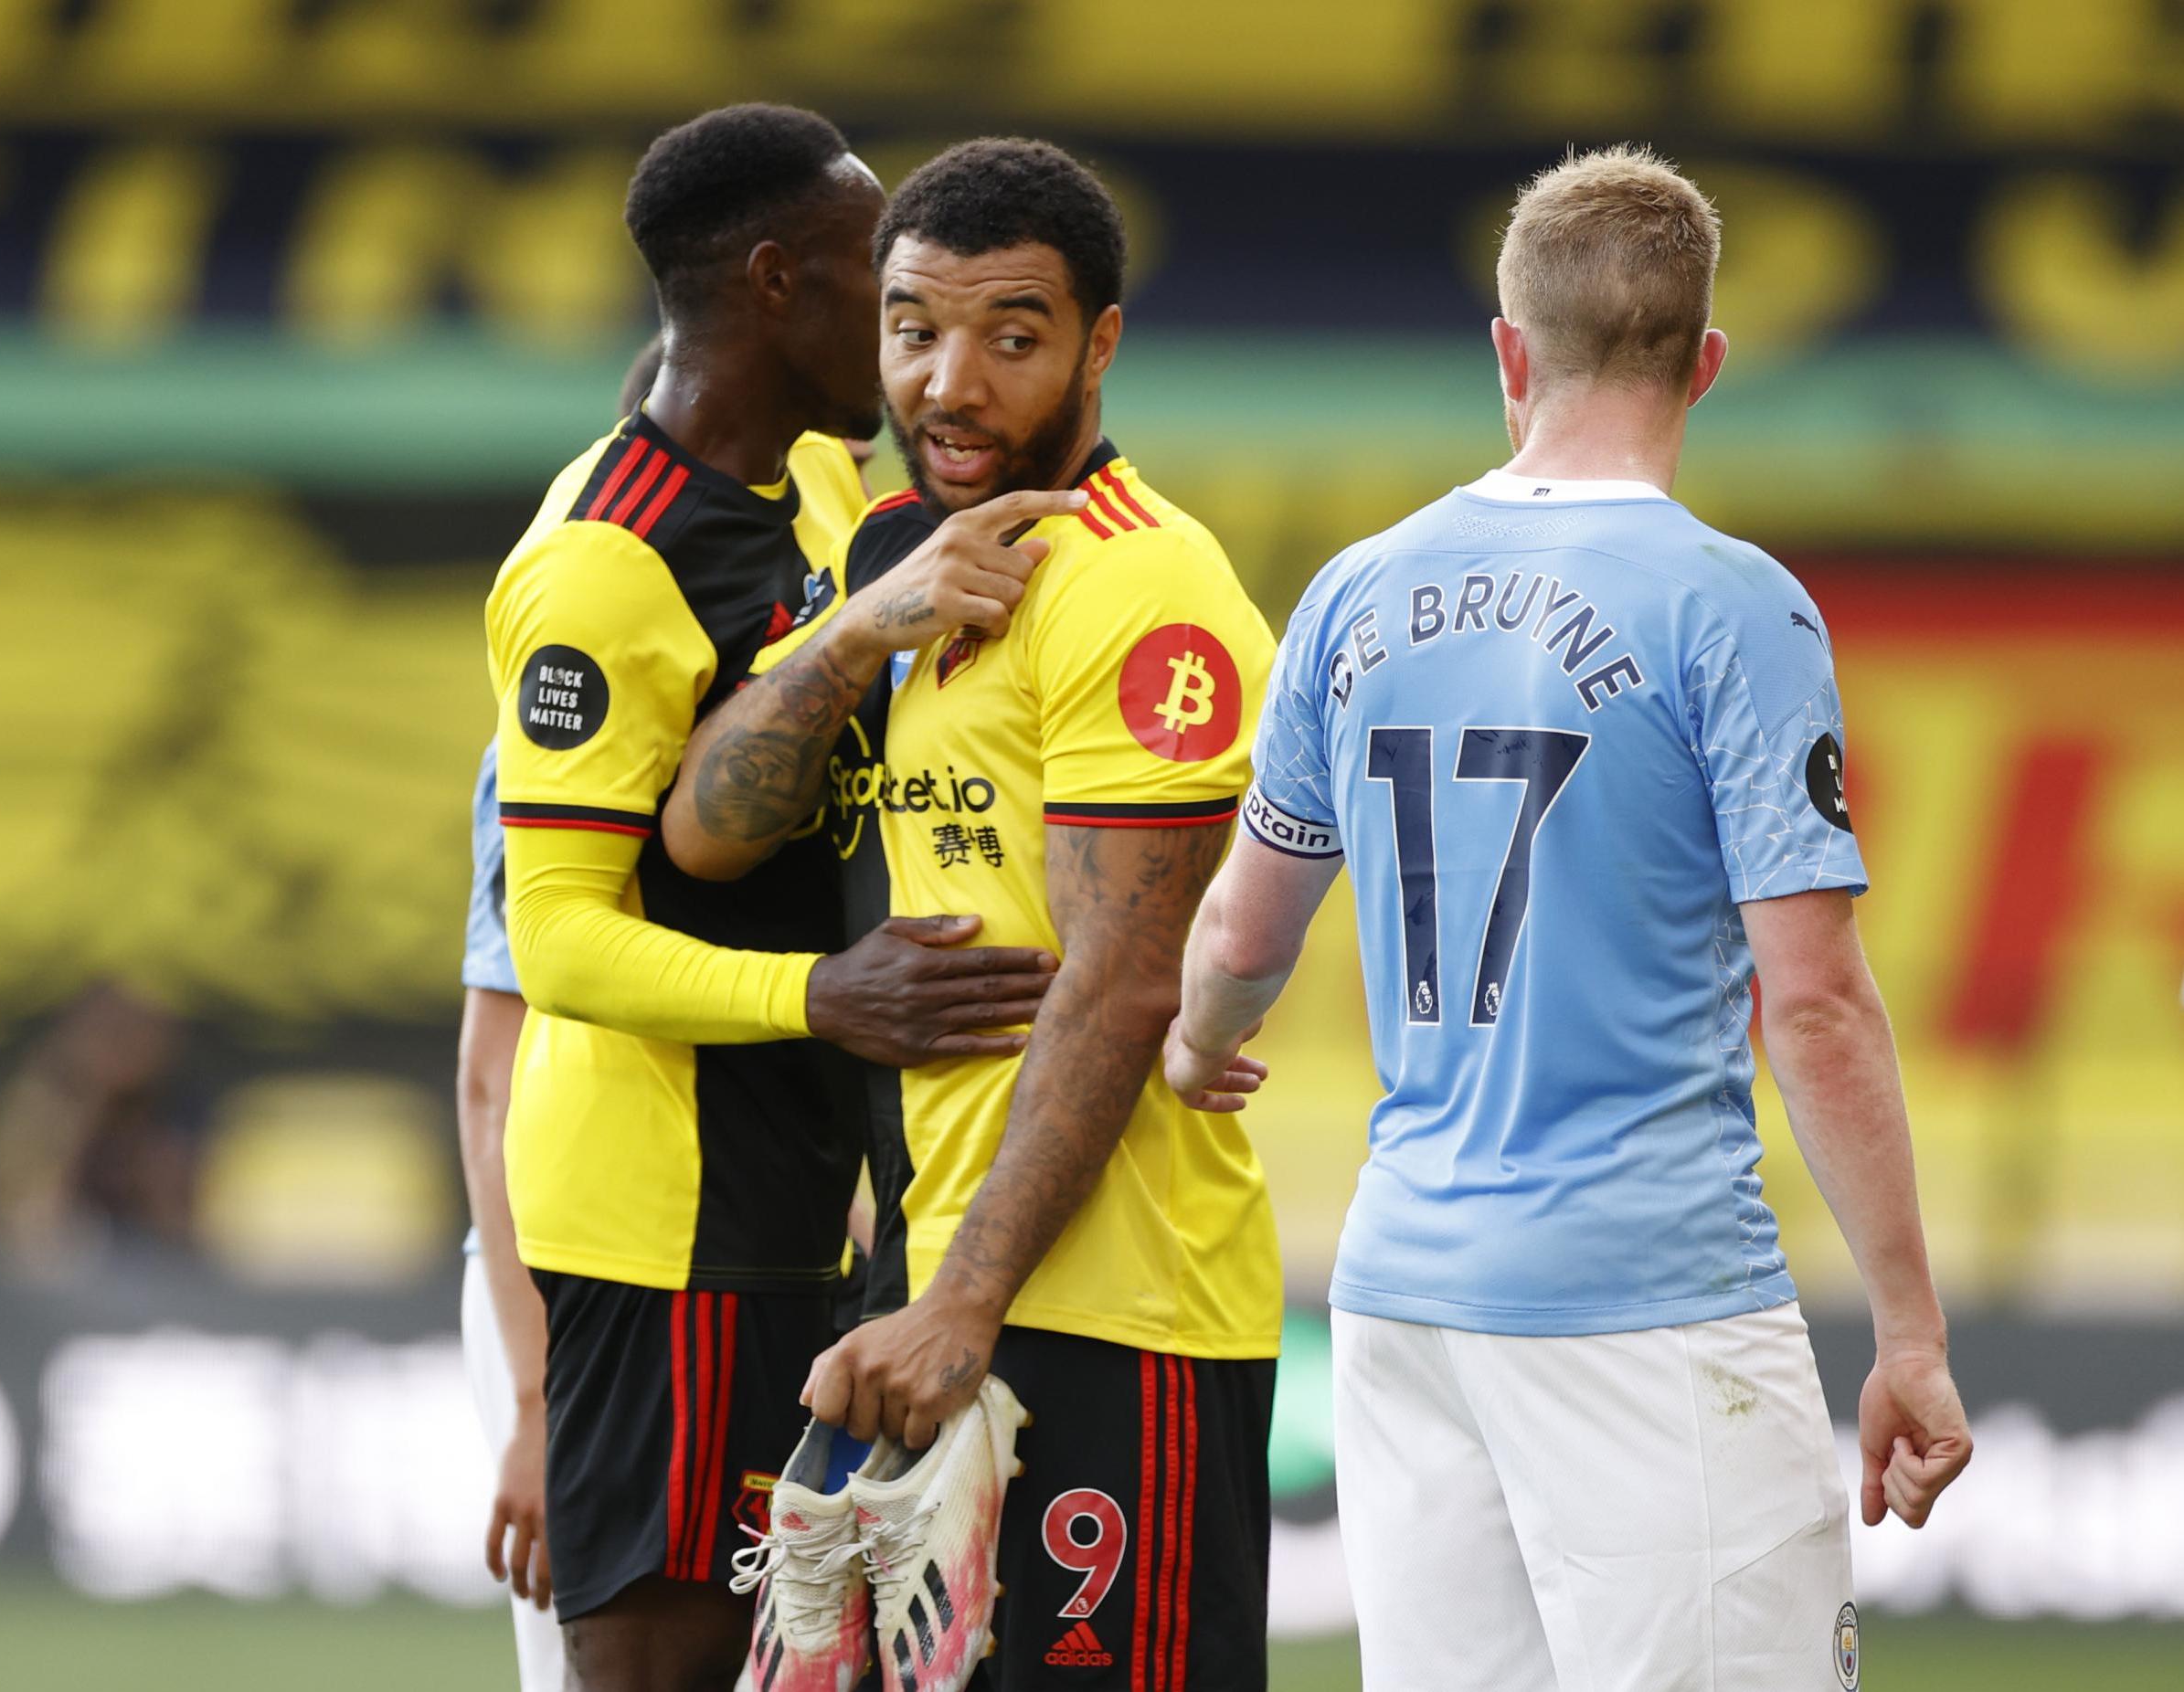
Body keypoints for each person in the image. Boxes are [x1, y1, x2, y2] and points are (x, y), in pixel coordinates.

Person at [1164, 145, 1973, 1692]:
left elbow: (1235, 943)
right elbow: (1809, 1001)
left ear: (1508, 354)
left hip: (1404, 1299)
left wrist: (1201, 1054)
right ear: (1706, 364)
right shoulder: (1731, 602)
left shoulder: (1352, 589)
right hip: (1643, 1300)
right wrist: (1910, 1333)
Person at [664, 138, 1279, 1691]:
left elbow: (1124, 985)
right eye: (911, 327)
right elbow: (706, 834)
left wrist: (963, 1306)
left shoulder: (1147, 593)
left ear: (1099, 346)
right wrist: (860, 629)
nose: (949, 381)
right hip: (920, 1290)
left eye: (1012, 335)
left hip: (1103, 1310)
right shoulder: (891, 563)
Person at [483, 107, 1058, 1692]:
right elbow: (558, 936)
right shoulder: (601, 563)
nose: (906, 312)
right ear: (771, 279)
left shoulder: (816, 492)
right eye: (879, 270)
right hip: (662, 1222)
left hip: (794, 1202)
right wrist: (822, 993)